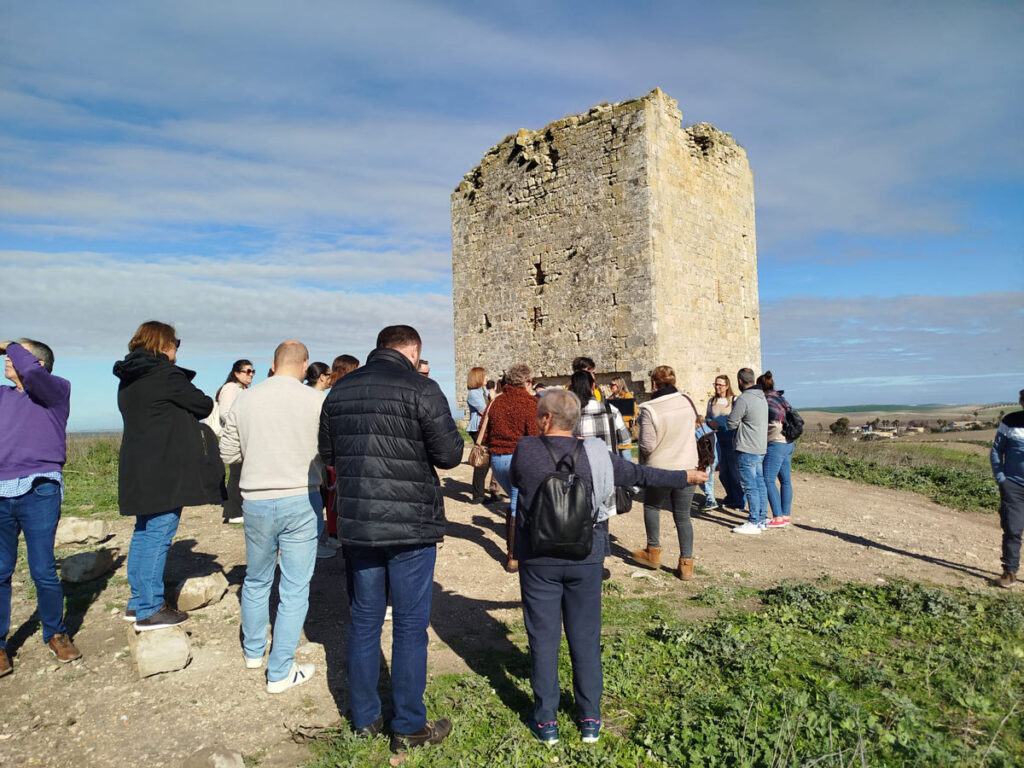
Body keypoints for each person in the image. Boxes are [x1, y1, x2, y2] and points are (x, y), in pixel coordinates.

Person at [510, 389, 706, 745]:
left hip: (539, 559)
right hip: (587, 555)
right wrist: (685, 477)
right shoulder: (596, 453)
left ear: (546, 419)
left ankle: (546, 721)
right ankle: (589, 718)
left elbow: (516, 481)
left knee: (543, 638)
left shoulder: (526, 449)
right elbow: (639, 474)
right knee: (585, 637)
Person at [319, 325, 463, 753]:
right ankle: (408, 725)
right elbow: (450, 454)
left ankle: (363, 719)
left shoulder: (339, 391)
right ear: (413, 350)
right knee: (409, 625)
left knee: (364, 620)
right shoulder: (422, 387)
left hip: (359, 521)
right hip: (410, 522)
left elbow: (328, 454)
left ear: (379, 348)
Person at [220, 341, 326, 692]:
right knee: (295, 587)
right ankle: (280, 669)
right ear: (304, 365)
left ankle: (253, 651)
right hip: (301, 495)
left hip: (256, 499)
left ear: (272, 363)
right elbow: (329, 450)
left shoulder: (245, 398)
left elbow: (229, 452)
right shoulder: (316, 400)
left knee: (256, 578)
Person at [114, 321, 222, 630]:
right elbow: (202, 404)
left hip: (137, 466)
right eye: (175, 344)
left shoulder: (129, 378)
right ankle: (149, 609)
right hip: (163, 468)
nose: (176, 350)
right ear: (164, 346)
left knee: (144, 533)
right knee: (159, 534)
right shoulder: (165, 374)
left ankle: (137, 602)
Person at [0, 339, 81, 675]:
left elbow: (30, 371)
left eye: (15, 355)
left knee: (43, 569)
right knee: (0, 571)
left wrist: (7, 344)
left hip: (40, 489)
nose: (7, 360)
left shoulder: (56, 392)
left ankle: (56, 633)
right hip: (1, 491)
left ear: (39, 364)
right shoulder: (3, 397)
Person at [629, 366, 701, 579]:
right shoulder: (687, 401)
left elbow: (648, 445)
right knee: (683, 516)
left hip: (660, 469)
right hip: (688, 465)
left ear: (654, 384)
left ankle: (653, 552)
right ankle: (686, 563)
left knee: (652, 506)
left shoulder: (649, 409)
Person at [483, 362, 540, 572]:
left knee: (519, 501)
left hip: (497, 461)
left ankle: (519, 549)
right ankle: (514, 555)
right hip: (519, 459)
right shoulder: (530, 403)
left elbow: (484, 432)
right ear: (526, 382)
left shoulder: (495, 403)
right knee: (518, 503)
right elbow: (534, 436)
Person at [323, 355, 360, 549]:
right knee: (336, 494)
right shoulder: (341, 392)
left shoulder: (333, 392)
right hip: (341, 452)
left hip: (338, 452)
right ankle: (335, 532)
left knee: (336, 494)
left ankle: (335, 531)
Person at [727, 368, 768, 535]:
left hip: (746, 447)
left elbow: (731, 423)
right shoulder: (762, 397)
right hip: (760, 446)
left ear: (740, 381)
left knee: (750, 485)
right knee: (760, 483)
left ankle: (753, 521)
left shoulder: (744, 399)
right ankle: (762, 518)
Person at [991, 389, 1024, 588]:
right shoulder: (1011, 421)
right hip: (1013, 485)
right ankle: (1010, 573)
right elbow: (997, 449)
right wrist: (1001, 478)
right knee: (1012, 528)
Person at [216, 360, 256, 524]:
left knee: (242, 473)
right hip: (235, 437)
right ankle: (233, 512)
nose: (251, 374)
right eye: (247, 371)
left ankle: (239, 509)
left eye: (252, 371)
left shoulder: (243, 390)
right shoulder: (230, 389)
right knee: (237, 473)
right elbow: (225, 413)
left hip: (243, 435)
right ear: (236, 373)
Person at [759, 371, 795, 528]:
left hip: (776, 443)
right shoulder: (781, 398)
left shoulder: (764, 401)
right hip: (789, 442)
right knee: (785, 480)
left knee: (767, 479)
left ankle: (777, 517)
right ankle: (785, 515)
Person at [569, 371, 632, 460]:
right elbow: (626, 440)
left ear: (572, 389)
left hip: (581, 466)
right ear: (593, 386)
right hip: (608, 464)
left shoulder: (567, 415)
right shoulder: (611, 410)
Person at [706, 375, 742, 510]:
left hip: (731, 438)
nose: (717, 387)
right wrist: (710, 422)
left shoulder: (734, 400)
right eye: (715, 384)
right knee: (722, 472)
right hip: (716, 439)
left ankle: (739, 500)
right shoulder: (711, 401)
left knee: (734, 471)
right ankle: (730, 496)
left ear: (727, 386)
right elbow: (707, 416)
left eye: (720, 385)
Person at [465, 366, 491, 503]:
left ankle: (481, 492)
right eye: (484, 375)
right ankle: (477, 495)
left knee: (487, 461)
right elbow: (485, 410)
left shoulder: (484, 391)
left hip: (485, 428)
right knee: (481, 461)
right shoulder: (474, 394)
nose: (487, 378)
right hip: (478, 429)